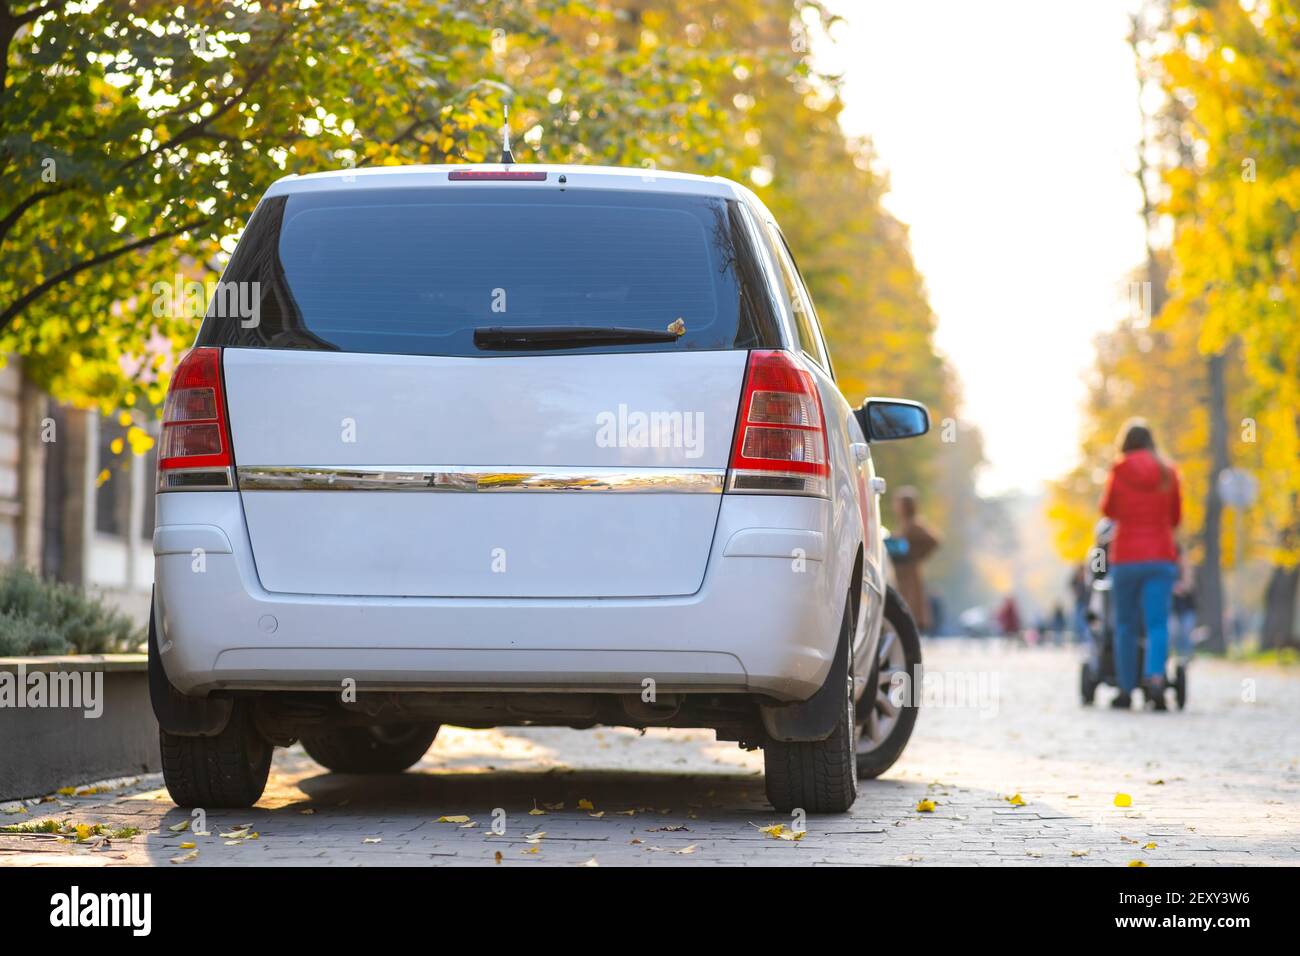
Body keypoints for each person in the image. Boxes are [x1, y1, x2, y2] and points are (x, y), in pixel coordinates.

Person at [1099, 419, 1182, 710]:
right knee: (1158, 623)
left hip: (1127, 558)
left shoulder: (1118, 471)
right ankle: (1156, 680)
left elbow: (1108, 510)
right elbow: (1175, 518)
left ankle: (1125, 688)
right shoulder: (1167, 472)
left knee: (1125, 624)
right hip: (1160, 555)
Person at [891, 486, 940, 634]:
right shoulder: (904, 524)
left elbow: (934, 540)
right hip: (899, 573)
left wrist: (914, 555)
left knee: (909, 610)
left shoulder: (914, 524)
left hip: (909, 575)